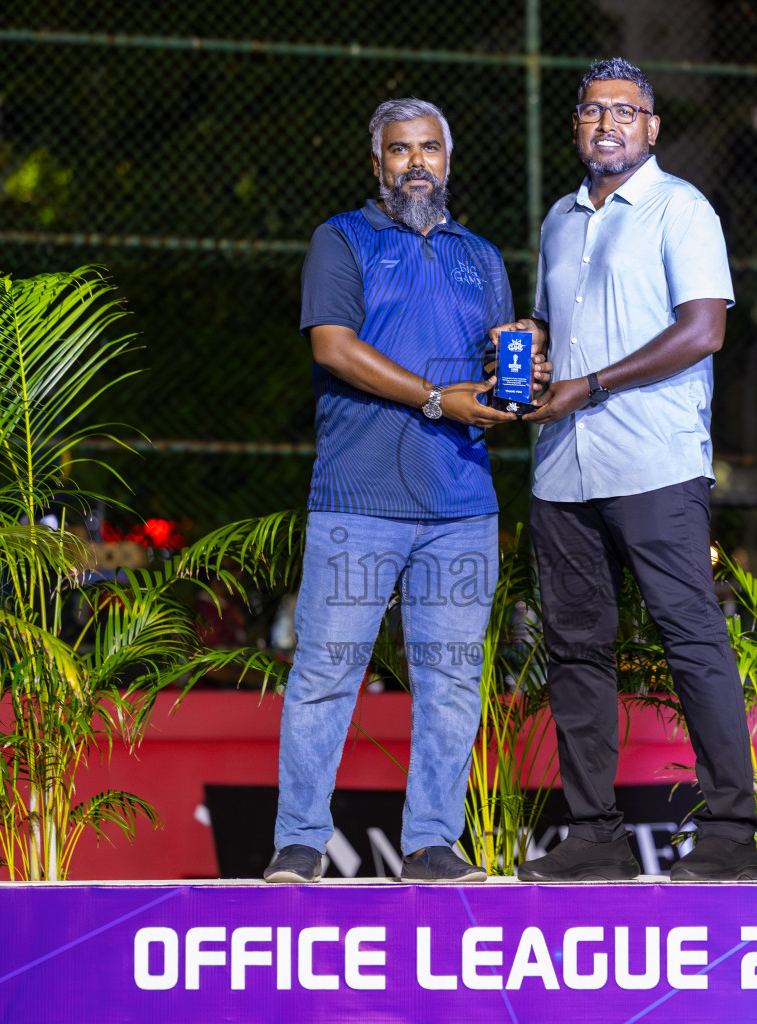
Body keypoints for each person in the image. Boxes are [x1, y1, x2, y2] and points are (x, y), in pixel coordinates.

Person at [512, 58, 757, 882]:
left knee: (692, 639)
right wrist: (534, 349)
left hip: (653, 464)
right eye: (593, 111)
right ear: (576, 126)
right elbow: (556, 331)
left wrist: (591, 383)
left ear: (651, 127)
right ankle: (595, 835)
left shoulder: (680, 208)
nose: (608, 123)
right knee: (578, 651)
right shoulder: (557, 220)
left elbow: (704, 331)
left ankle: (731, 832)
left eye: (626, 110)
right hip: (562, 470)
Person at [263, 97, 524, 884]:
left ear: (449, 160)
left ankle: (432, 844)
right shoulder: (340, 239)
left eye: (430, 149)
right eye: (400, 150)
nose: (417, 163)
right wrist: (439, 398)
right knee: (325, 674)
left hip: (462, 507)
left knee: (450, 680)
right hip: (356, 502)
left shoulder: (481, 257)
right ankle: (299, 844)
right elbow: (335, 348)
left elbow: (498, 371)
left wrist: (521, 383)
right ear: (376, 163)